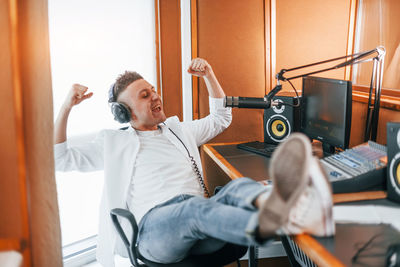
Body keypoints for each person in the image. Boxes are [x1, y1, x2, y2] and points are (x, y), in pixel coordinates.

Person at [54, 58, 334, 267]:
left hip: (200, 220)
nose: (155, 96)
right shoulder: (114, 143)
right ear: (124, 113)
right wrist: (66, 106)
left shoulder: (178, 130)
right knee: (193, 209)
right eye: (144, 95)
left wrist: (209, 75)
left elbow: (221, 118)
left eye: (152, 90)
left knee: (238, 188)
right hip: (155, 234)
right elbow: (61, 159)